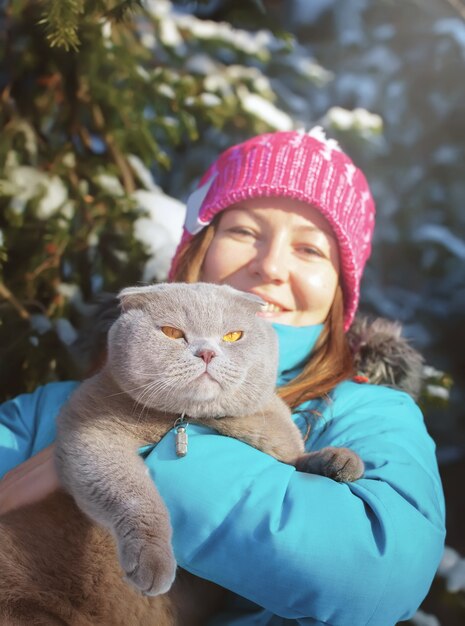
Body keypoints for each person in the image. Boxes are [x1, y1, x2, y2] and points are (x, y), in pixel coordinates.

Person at [0, 128, 445, 625]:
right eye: (244, 232)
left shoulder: (373, 414)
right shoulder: (56, 406)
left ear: (341, 287)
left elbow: (378, 575)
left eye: (310, 250)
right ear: (197, 250)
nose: (270, 266)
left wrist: (131, 459)